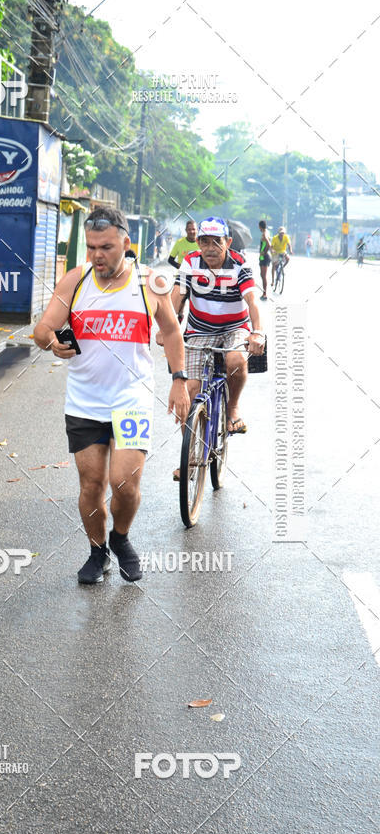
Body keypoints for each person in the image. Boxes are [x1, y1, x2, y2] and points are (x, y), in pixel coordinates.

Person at [34, 207, 190, 585]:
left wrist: (179, 379)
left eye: (105, 246)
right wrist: (52, 343)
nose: (97, 255)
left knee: (125, 483)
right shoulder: (76, 280)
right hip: (84, 401)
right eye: (91, 247)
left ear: (126, 242)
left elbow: (170, 332)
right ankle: (97, 551)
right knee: (90, 486)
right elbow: (41, 330)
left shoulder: (149, 284)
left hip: (131, 398)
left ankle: (120, 538)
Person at [164, 218, 265, 474]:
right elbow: (177, 295)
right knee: (191, 389)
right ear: (197, 243)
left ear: (228, 243)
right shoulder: (190, 262)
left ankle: (232, 409)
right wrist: (167, 328)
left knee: (235, 361)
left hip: (235, 328)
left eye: (216, 242)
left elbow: (252, 301)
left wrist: (258, 333)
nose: (210, 248)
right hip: (199, 330)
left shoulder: (240, 264)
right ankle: (190, 456)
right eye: (204, 242)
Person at [258, 220, 272, 300]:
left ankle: (264, 293)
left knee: (263, 276)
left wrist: (264, 252)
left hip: (264, 257)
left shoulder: (264, 233)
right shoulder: (267, 232)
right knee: (262, 275)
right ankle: (264, 292)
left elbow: (268, 244)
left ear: (260, 226)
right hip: (263, 257)